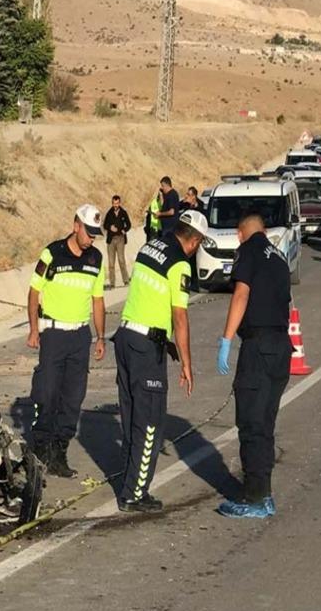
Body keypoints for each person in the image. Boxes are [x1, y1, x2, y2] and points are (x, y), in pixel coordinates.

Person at [114, 209, 207, 512]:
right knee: (150, 422)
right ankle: (135, 493)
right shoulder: (179, 263)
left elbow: (147, 300)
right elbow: (180, 316)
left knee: (131, 419)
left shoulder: (149, 247)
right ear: (193, 241)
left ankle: (128, 482)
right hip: (144, 350)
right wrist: (187, 364)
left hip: (127, 337)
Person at [215, 214, 293, 518]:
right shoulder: (279, 257)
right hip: (281, 347)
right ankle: (265, 493)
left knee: (250, 423)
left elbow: (242, 293)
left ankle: (255, 498)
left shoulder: (247, 250)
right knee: (266, 424)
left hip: (258, 347)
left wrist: (226, 338)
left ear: (240, 233)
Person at [26, 204, 107, 478]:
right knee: (47, 392)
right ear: (76, 226)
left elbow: (98, 300)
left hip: (80, 336)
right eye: (89, 232)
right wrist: (34, 330)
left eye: (96, 233)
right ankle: (40, 446)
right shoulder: (52, 253)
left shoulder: (96, 258)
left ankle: (59, 451)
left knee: (73, 397)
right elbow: (34, 292)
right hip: (54, 334)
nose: (92, 238)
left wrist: (99, 337)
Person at [103, 195, 132, 289]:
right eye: (114, 203)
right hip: (111, 240)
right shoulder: (109, 213)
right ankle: (112, 283)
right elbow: (104, 225)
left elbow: (129, 224)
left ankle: (126, 280)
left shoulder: (123, 213)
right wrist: (109, 227)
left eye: (117, 203)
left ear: (119, 203)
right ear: (112, 203)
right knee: (111, 263)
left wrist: (124, 230)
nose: (115, 205)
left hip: (120, 239)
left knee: (121, 260)